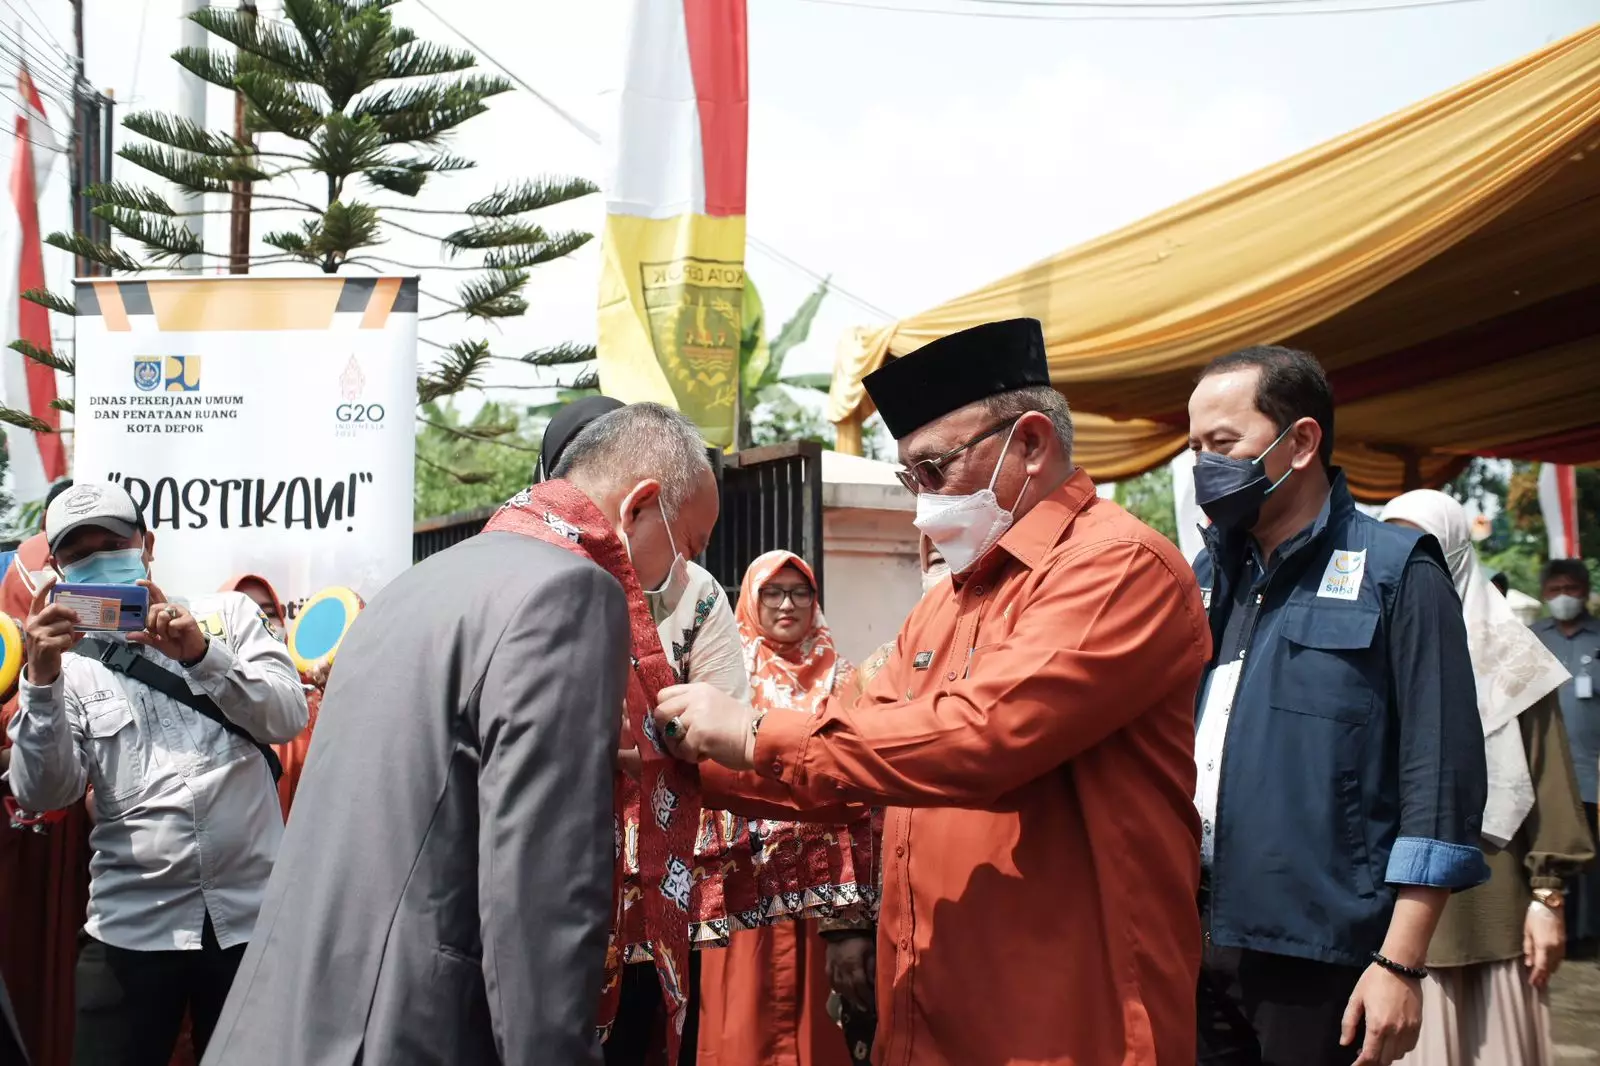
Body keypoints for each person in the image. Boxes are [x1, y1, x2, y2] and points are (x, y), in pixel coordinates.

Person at [654, 317, 1212, 1065]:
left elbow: (980, 736)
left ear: (1032, 445)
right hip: (932, 1016)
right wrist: (682, 761)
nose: (921, 504)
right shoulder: (948, 600)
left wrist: (754, 732)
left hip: (1069, 1022)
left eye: (934, 470)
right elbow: (846, 750)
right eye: (907, 479)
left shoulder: (1117, 568)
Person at [203, 402, 715, 1066]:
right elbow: (539, 889)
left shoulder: (413, 587)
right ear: (641, 506)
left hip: (289, 1019)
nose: (677, 579)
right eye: (690, 550)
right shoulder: (570, 596)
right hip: (409, 1028)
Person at [1185, 346, 1489, 1066]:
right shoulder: (1204, 575)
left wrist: (1401, 964)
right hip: (1191, 937)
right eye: (1195, 448)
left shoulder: (1395, 572)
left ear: (1302, 441)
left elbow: (1438, 777)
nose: (1205, 466)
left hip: (1322, 956)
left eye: (1223, 444)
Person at [6, 481, 308, 1066]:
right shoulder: (59, 664)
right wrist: (41, 684)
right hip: (132, 928)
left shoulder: (228, 616)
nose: (97, 560)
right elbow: (45, 792)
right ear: (59, 568)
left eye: (112, 542)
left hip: (254, 919)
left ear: (146, 544)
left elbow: (287, 715)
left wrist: (200, 656)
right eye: (78, 554)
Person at [537, 396, 747, 1066]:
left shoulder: (699, 594)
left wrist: (646, 743)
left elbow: (721, 716)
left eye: (695, 545)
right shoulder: (534, 582)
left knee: (648, 1027)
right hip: (556, 863)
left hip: (659, 858)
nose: (690, 556)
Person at [1379, 490, 1593, 1066]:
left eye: (1423, 542)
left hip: (1494, 892)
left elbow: (1548, 774)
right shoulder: (1373, 642)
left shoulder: (1509, 653)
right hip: (1390, 899)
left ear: (1454, 549)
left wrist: (1548, 897)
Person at [696, 552, 856, 1066]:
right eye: (773, 592)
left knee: (815, 1032)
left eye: (800, 592)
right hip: (746, 880)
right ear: (751, 598)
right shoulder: (725, 679)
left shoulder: (846, 677)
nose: (787, 604)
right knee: (743, 1027)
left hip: (824, 891)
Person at [823, 537, 950, 1066]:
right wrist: (846, 924)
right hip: (889, 920)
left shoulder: (1020, 656)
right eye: (936, 557)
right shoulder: (882, 670)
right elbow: (838, 797)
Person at [1530, 558, 1600, 954]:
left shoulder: (1598, 638)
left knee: (1591, 857)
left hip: (1592, 769)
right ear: (1544, 594)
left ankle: (1588, 935)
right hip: (1546, 772)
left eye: (1571, 589)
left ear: (1585, 592)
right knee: (1551, 848)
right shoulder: (1530, 637)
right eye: (1555, 590)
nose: (1563, 598)